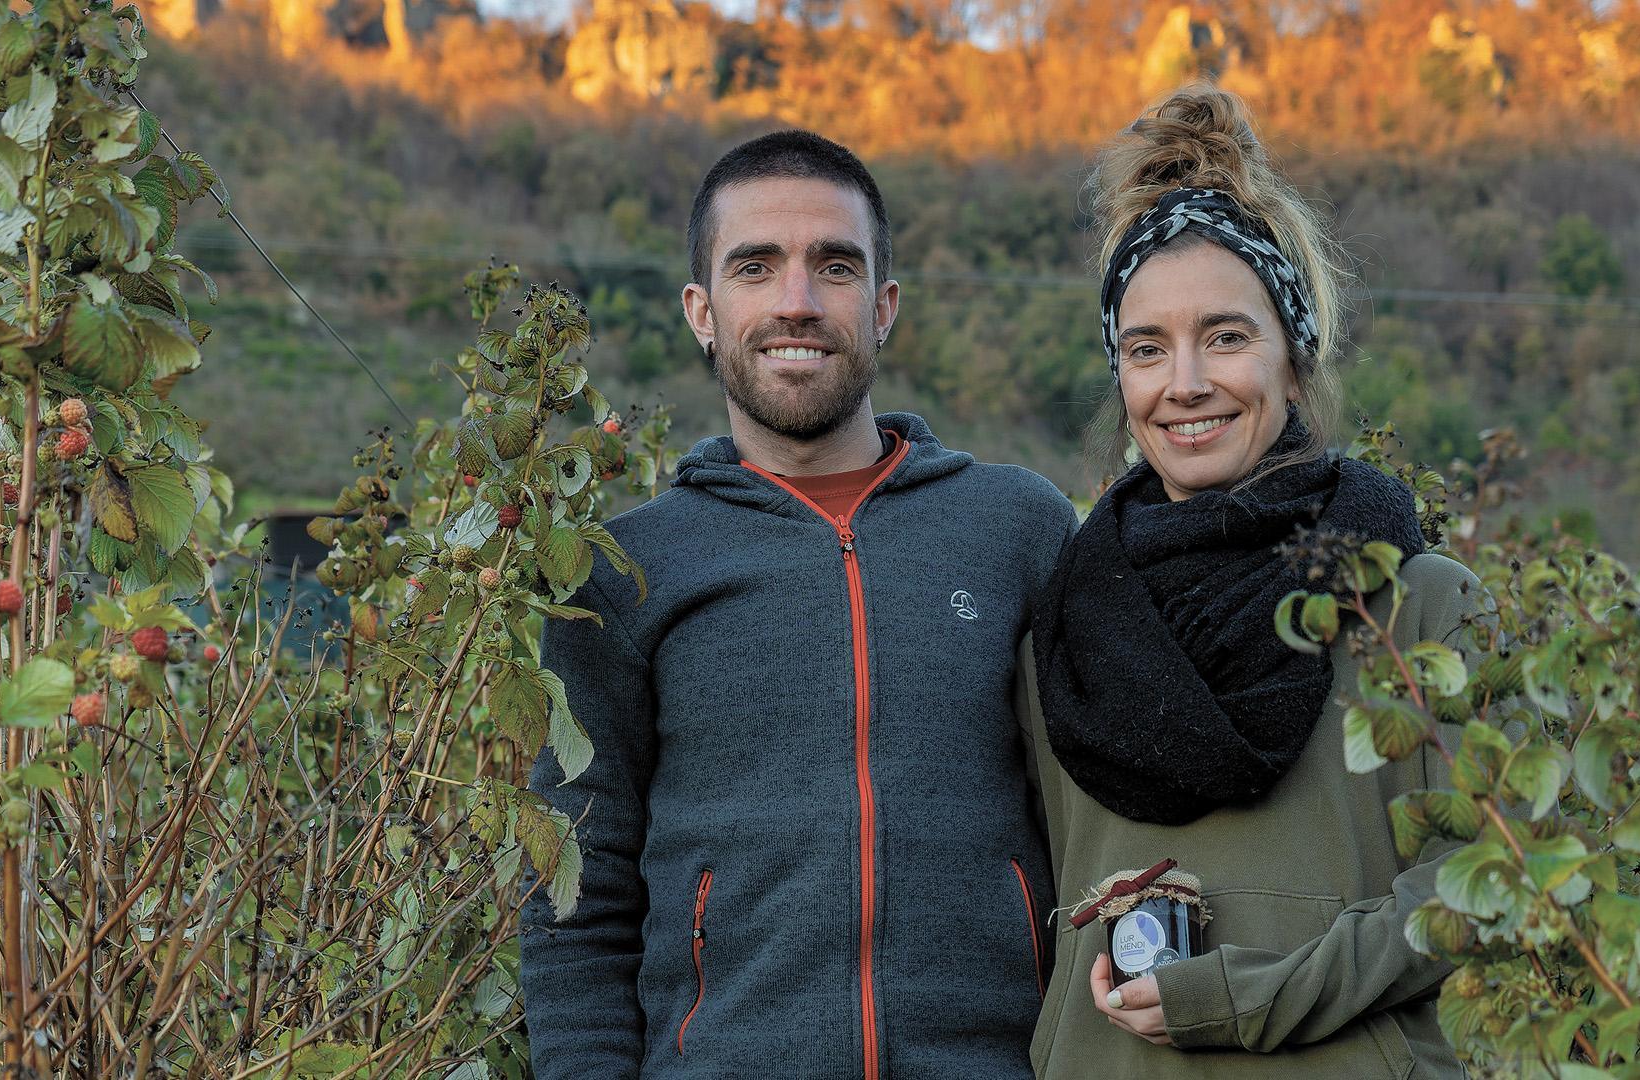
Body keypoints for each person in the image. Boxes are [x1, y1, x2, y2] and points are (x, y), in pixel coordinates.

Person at [519, 129, 1077, 1080]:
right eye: (755, 266)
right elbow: (579, 894)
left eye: (835, 266)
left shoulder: (1017, 526)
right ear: (702, 311)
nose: (797, 302)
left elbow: (1094, 827)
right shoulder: (626, 571)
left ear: (884, 305)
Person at [1023, 86, 1483, 1078]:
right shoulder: (1065, 629)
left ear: (1294, 359)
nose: (1184, 383)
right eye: (1147, 349)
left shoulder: (1420, 607)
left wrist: (1250, 999)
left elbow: (1482, 880)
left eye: (1226, 337)